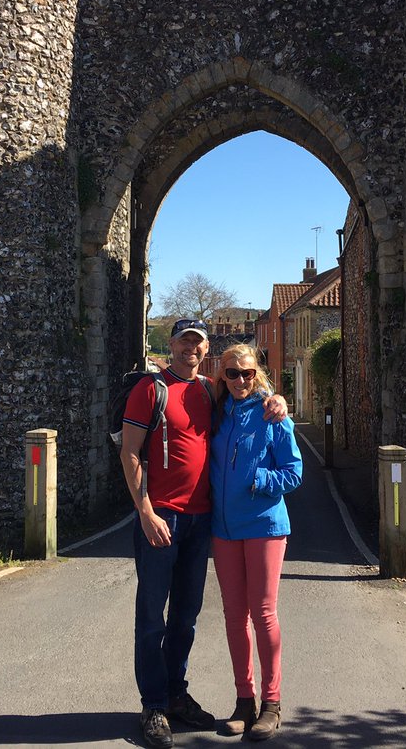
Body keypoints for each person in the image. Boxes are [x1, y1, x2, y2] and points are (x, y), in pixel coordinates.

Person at [120, 319, 287, 749]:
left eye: (196, 343)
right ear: (171, 344)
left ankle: (176, 693)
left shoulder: (210, 395)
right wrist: (145, 512)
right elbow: (130, 452)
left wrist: (278, 401)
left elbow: (255, 402)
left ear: (204, 349)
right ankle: (154, 704)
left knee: (186, 617)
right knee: (151, 617)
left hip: (202, 522)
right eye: (182, 342)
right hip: (163, 519)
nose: (189, 349)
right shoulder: (150, 389)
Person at [209, 344, 302, 742]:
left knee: (263, 613)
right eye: (232, 373)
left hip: (264, 525)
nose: (241, 380)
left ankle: (272, 703)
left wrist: (261, 481)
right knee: (234, 616)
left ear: (257, 373)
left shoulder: (272, 414)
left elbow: (294, 472)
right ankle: (243, 702)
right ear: (222, 376)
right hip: (224, 529)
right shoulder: (215, 411)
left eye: (247, 373)